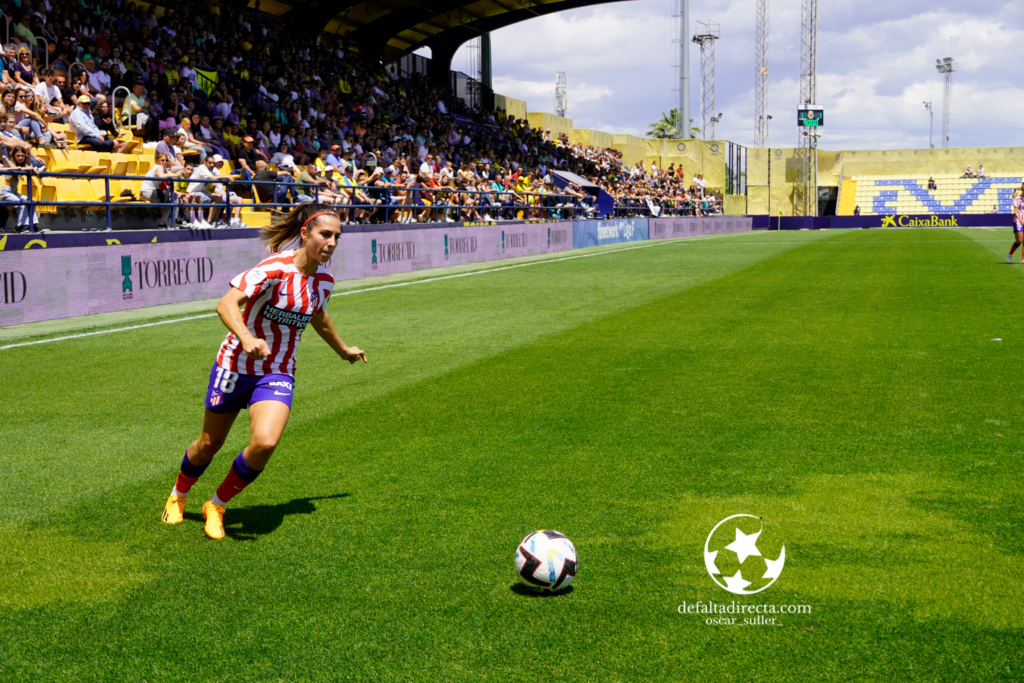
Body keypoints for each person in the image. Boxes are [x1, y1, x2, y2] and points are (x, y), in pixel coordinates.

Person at [159, 203, 368, 540]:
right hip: (235, 365)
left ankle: (217, 504)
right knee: (209, 444)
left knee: (266, 442)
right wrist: (247, 337)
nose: (331, 242)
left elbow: (318, 316)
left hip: (278, 371)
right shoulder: (274, 268)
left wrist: (343, 350)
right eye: (325, 234)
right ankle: (178, 495)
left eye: (337, 237)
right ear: (305, 233)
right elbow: (226, 303)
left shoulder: (325, 280)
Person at [142, 152, 187, 228]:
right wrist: (175, 174)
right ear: (157, 160)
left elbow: (173, 177)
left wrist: (181, 173)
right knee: (174, 196)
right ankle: (175, 219)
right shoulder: (158, 167)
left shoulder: (163, 168)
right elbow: (161, 176)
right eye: (162, 160)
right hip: (149, 192)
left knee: (173, 198)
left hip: (153, 193)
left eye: (166, 160)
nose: (165, 162)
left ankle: (164, 222)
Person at [1009, 186, 1024, 264]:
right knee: (1019, 241)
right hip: (1018, 220)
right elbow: (1015, 211)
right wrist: (1021, 220)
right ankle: (1010, 253)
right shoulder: (1017, 198)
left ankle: (1023, 259)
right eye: (1022, 189)